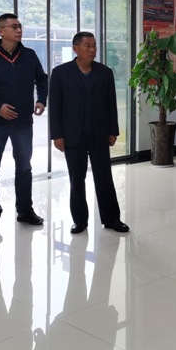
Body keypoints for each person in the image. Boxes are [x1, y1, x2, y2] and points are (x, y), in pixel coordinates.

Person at [0, 13, 48, 234]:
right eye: (14, 26)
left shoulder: (29, 55)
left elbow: (42, 78)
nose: (19, 30)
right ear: (1, 31)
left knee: (24, 167)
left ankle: (25, 210)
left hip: (23, 122)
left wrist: (42, 99)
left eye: (20, 26)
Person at [49, 32, 129, 234]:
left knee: (104, 178)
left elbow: (111, 104)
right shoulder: (60, 73)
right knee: (76, 179)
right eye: (87, 46)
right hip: (72, 135)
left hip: (99, 134)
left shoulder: (104, 72)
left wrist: (113, 130)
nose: (92, 50)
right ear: (75, 48)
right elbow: (55, 106)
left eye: (94, 46)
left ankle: (112, 219)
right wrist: (57, 135)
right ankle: (80, 220)